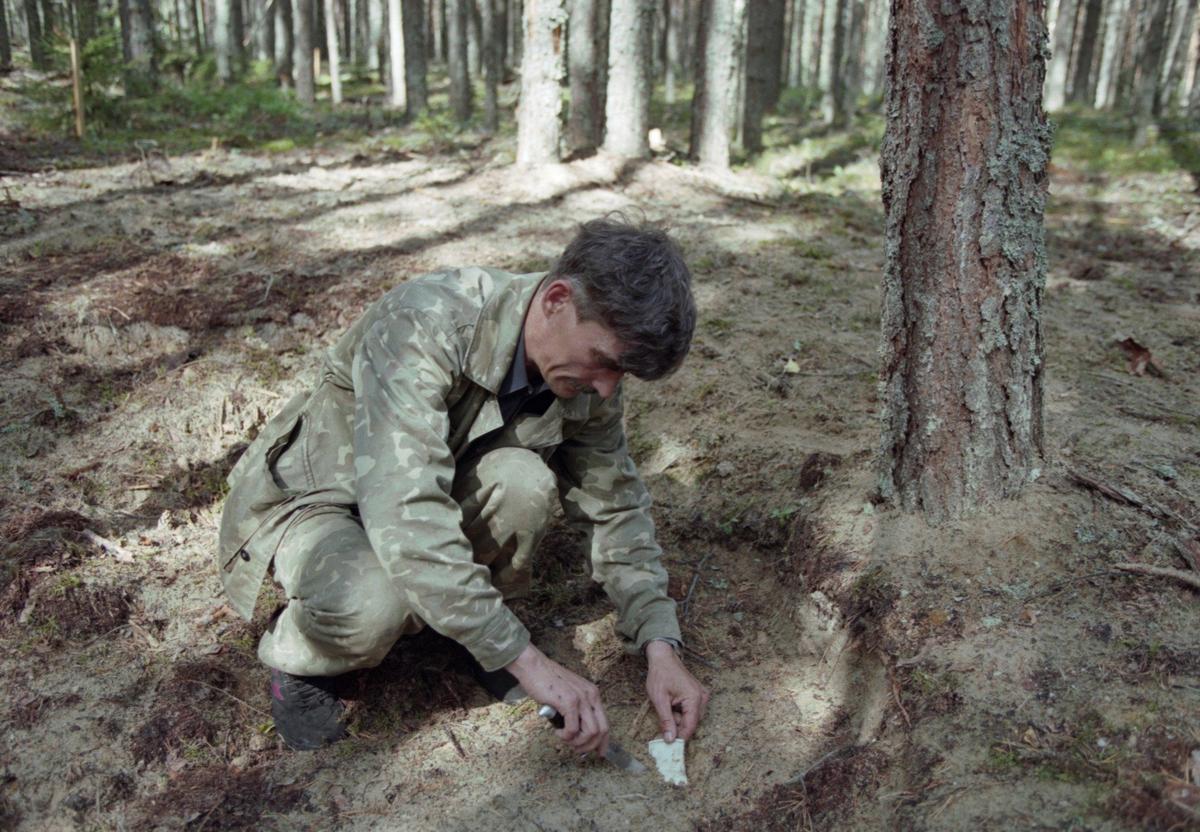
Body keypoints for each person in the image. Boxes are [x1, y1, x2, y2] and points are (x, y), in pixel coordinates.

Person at [216, 216, 709, 755]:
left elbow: (615, 507)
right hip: (325, 502)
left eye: (623, 375)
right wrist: (521, 655)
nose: (607, 389)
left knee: (521, 483)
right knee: (373, 600)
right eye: (606, 363)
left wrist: (661, 646)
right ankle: (301, 662)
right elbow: (404, 512)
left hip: (428, 500)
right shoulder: (425, 321)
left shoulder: (583, 376)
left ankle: (463, 630)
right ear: (557, 299)